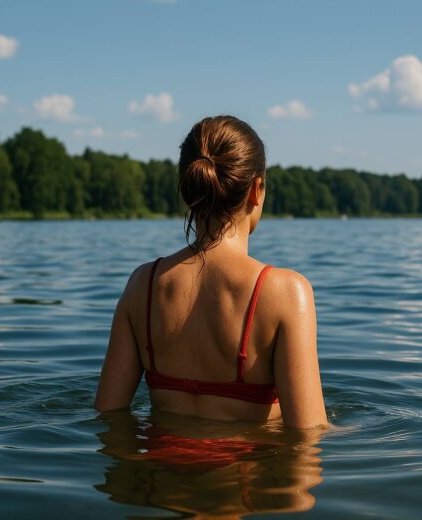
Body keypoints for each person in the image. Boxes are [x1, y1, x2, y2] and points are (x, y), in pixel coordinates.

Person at [95, 115, 327, 429]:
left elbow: (108, 416)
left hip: (160, 476)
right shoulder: (285, 292)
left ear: (189, 188)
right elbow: (308, 436)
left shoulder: (142, 286)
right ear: (256, 190)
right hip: (244, 476)